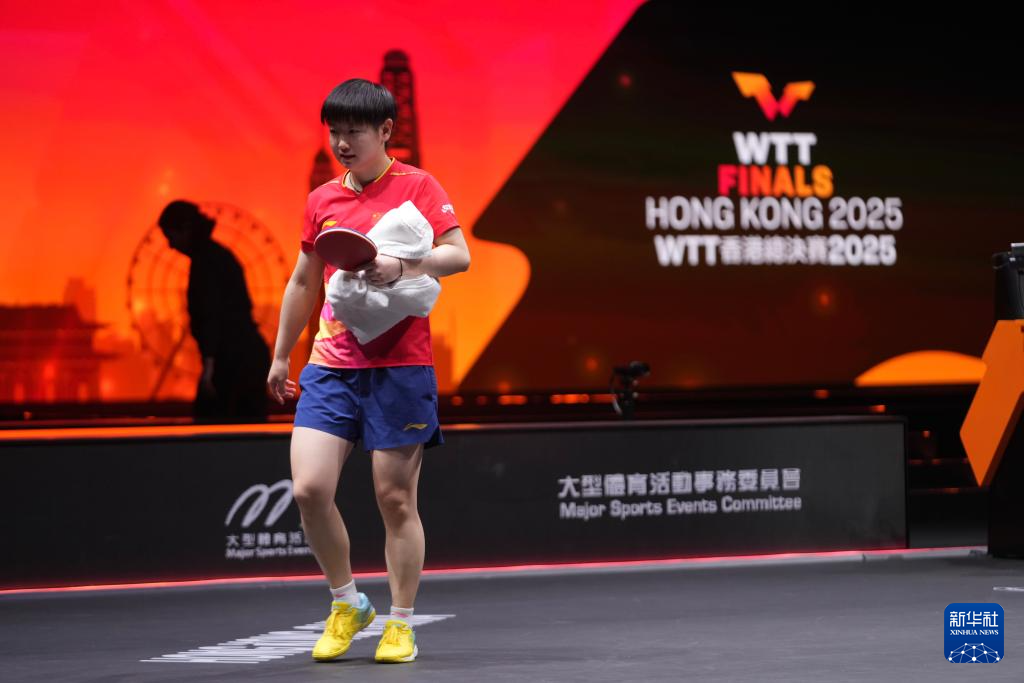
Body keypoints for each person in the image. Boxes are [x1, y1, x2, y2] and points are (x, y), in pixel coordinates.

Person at [266, 78, 470, 664]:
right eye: (334, 132)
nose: (342, 143)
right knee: (309, 490)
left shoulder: (419, 186)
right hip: (331, 365)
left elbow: (458, 255)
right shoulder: (321, 199)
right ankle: (347, 602)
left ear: (385, 131)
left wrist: (402, 265)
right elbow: (304, 280)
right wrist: (281, 355)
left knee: (395, 500)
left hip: (400, 367)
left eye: (353, 132)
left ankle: (400, 621)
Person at [157, 200, 270, 422]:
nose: (171, 245)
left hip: (232, 361)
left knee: (212, 425)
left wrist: (209, 365)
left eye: (171, 237)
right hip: (246, 358)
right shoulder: (218, 256)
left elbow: (211, 316)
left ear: (186, 229)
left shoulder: (204, 264)